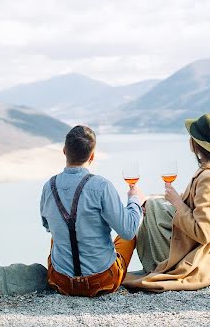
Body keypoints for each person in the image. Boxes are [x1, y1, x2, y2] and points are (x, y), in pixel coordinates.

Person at [124, 113, 210, 291]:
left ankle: (157, 266)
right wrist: (155, 200)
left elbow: (205, 233)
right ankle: (158, 259)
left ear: (195, 143)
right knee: (152, 205)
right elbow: (198, 202)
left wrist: (177, 203)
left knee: (153, 211)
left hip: (207, 256)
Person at [40, 124, 145, 297]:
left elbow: (48, 226)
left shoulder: (48, 187)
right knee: (129, 232)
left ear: (64, 151)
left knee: (58, 233)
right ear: (92, 156)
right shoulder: (102, 186)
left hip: (61, 282)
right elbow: (128, 231)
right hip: (102, 281)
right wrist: (134, 199)